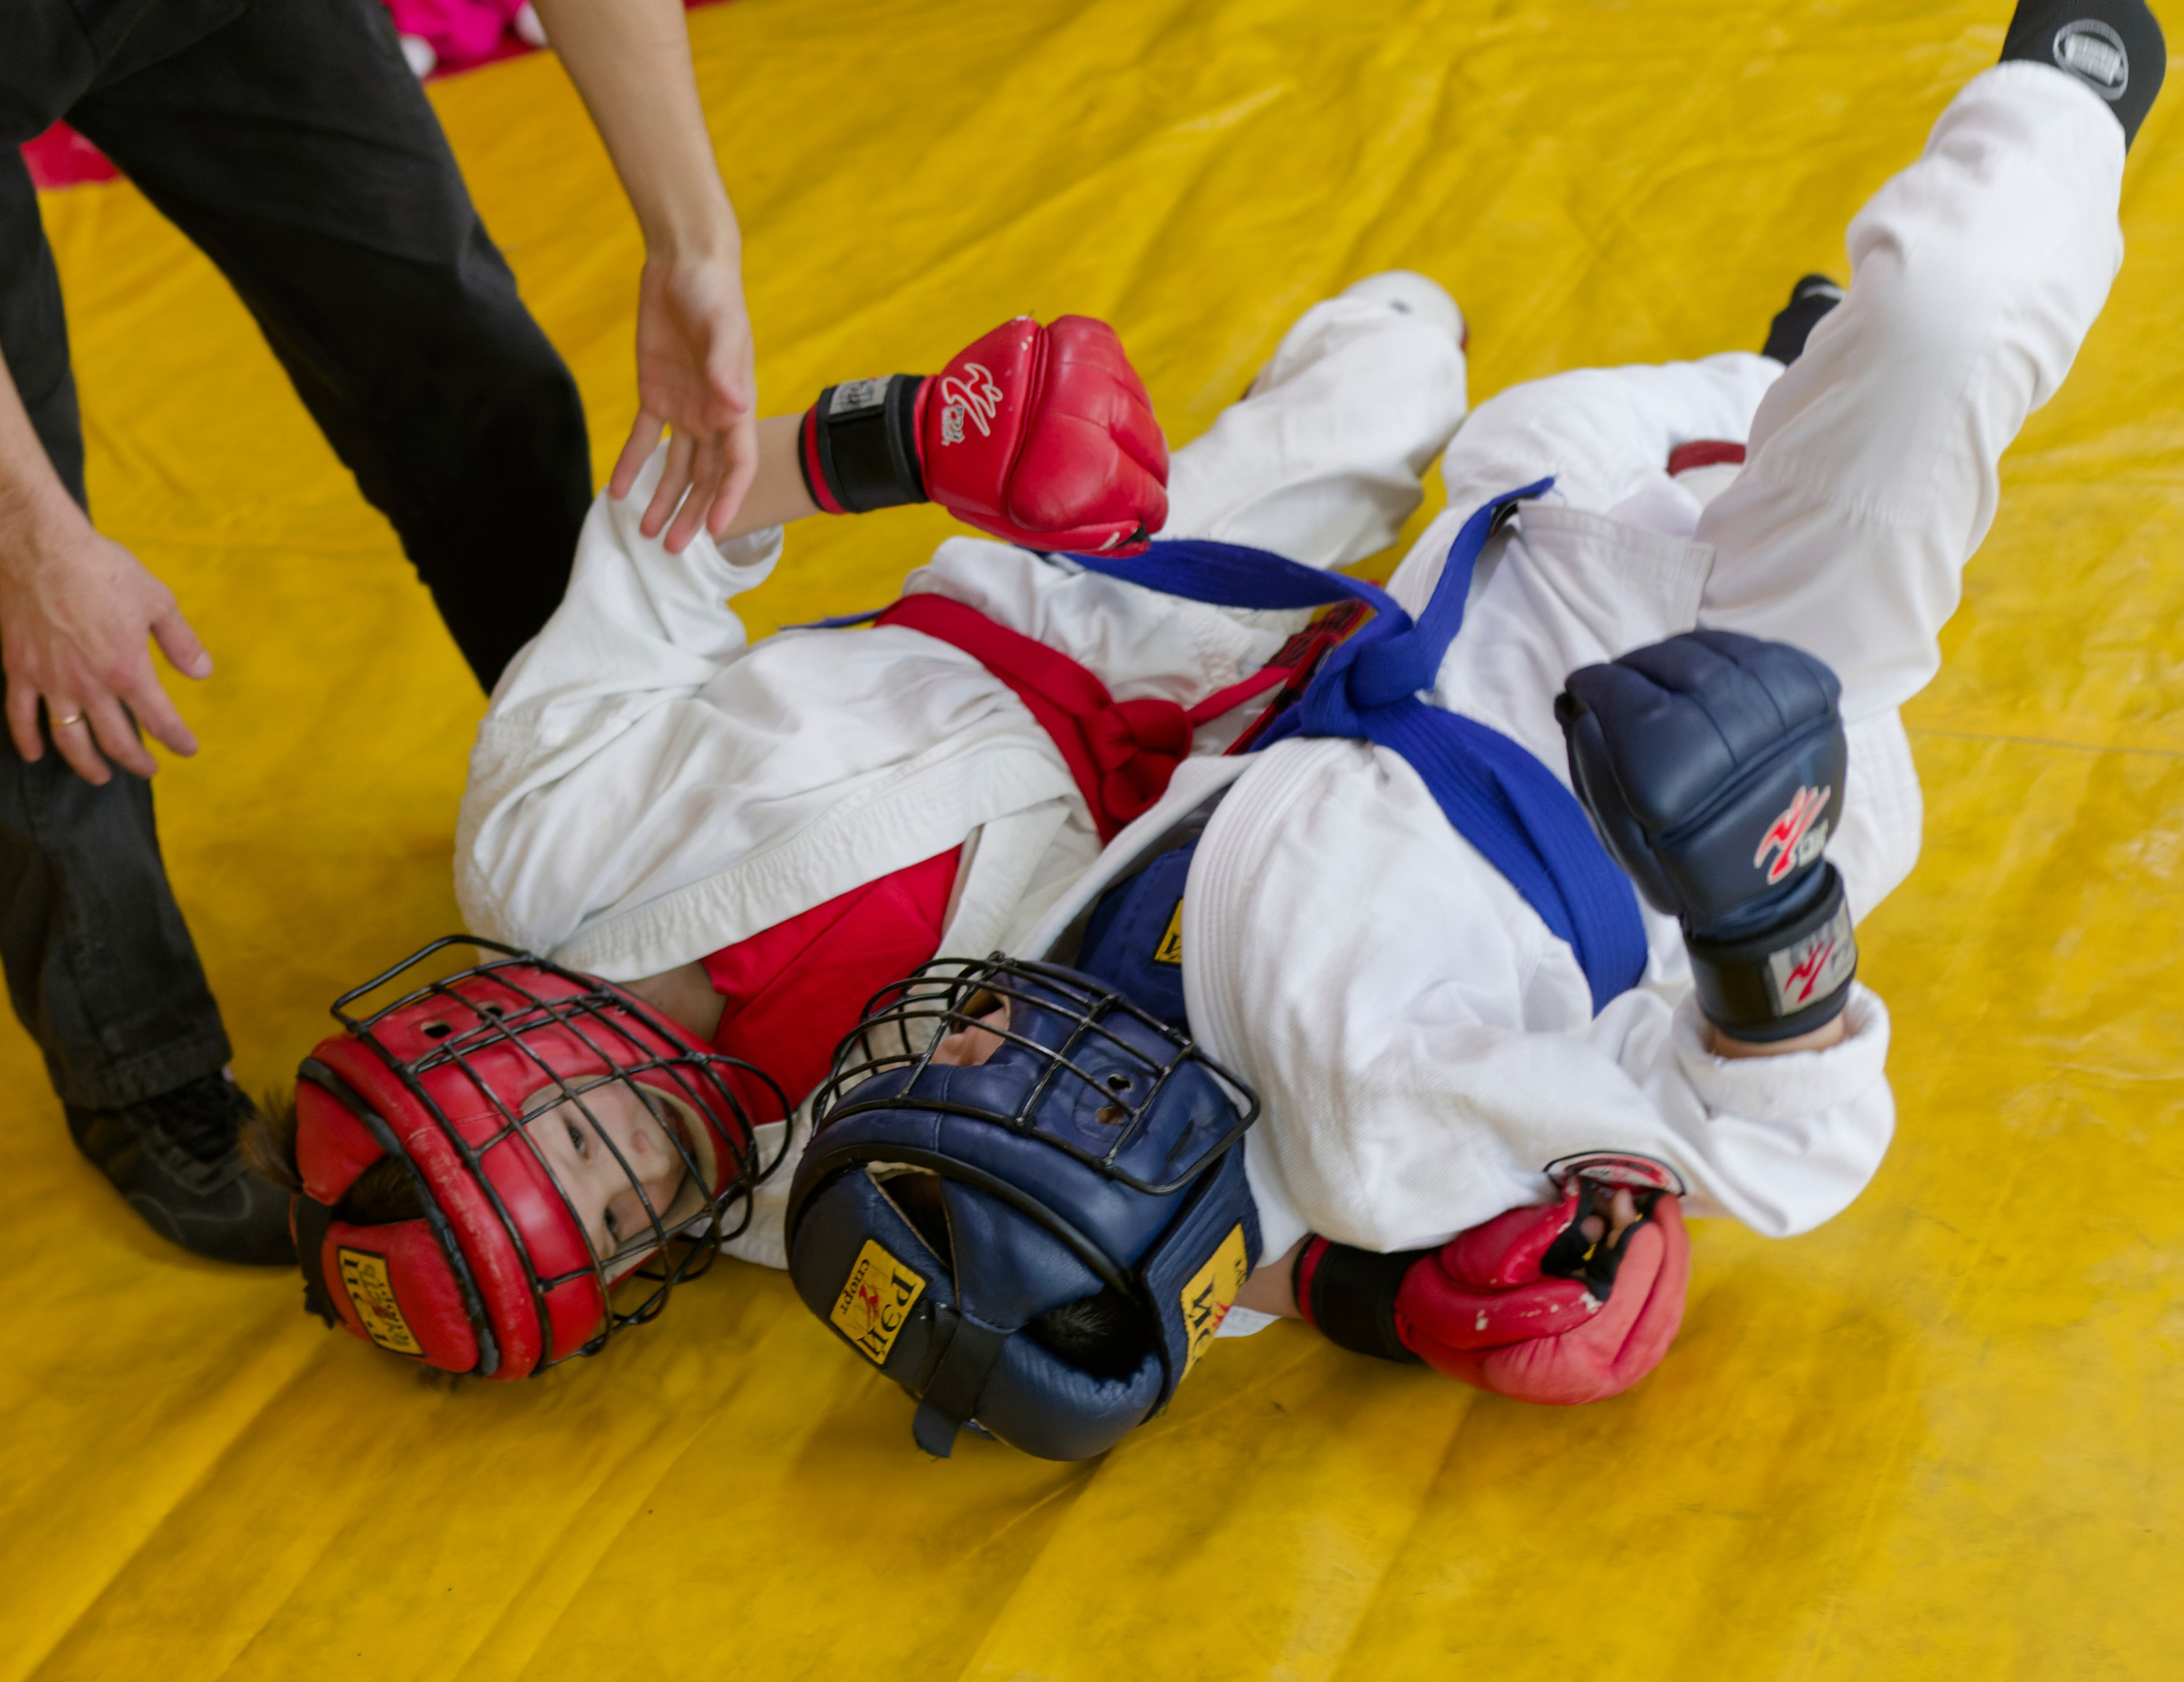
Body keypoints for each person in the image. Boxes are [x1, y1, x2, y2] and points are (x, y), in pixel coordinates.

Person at [783, 0, 2164, 1453]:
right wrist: (1766, 917)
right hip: (1705, 718)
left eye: (930, 1077)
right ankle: (2077, 89)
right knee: (1944, 320)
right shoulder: (1373, 1140)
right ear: (1122, 1172)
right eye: (986, 1095)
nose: (960, 1038)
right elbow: (1783, 1144)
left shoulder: (1044, 956)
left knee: (1577, 418)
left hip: (1509, 539)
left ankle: (1779, 380)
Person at [0, 0, 760, 1262]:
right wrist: (33, 541)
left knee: (461, 364)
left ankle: (645, 816)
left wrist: (692, 239)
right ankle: (140, 1067)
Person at [242, 285, 1472, 1372]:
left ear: (480, 1039)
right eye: (617, 1233)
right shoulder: (821, 1199)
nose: (648, 1176)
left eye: (575, 1138)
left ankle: (1332, 377)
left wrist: (910, 436)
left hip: (1064, 607)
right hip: (1223, 814)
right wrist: (1373, 1296)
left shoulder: (535, 839)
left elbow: (662, 540)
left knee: (1396, 380)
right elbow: (1112, 1219)